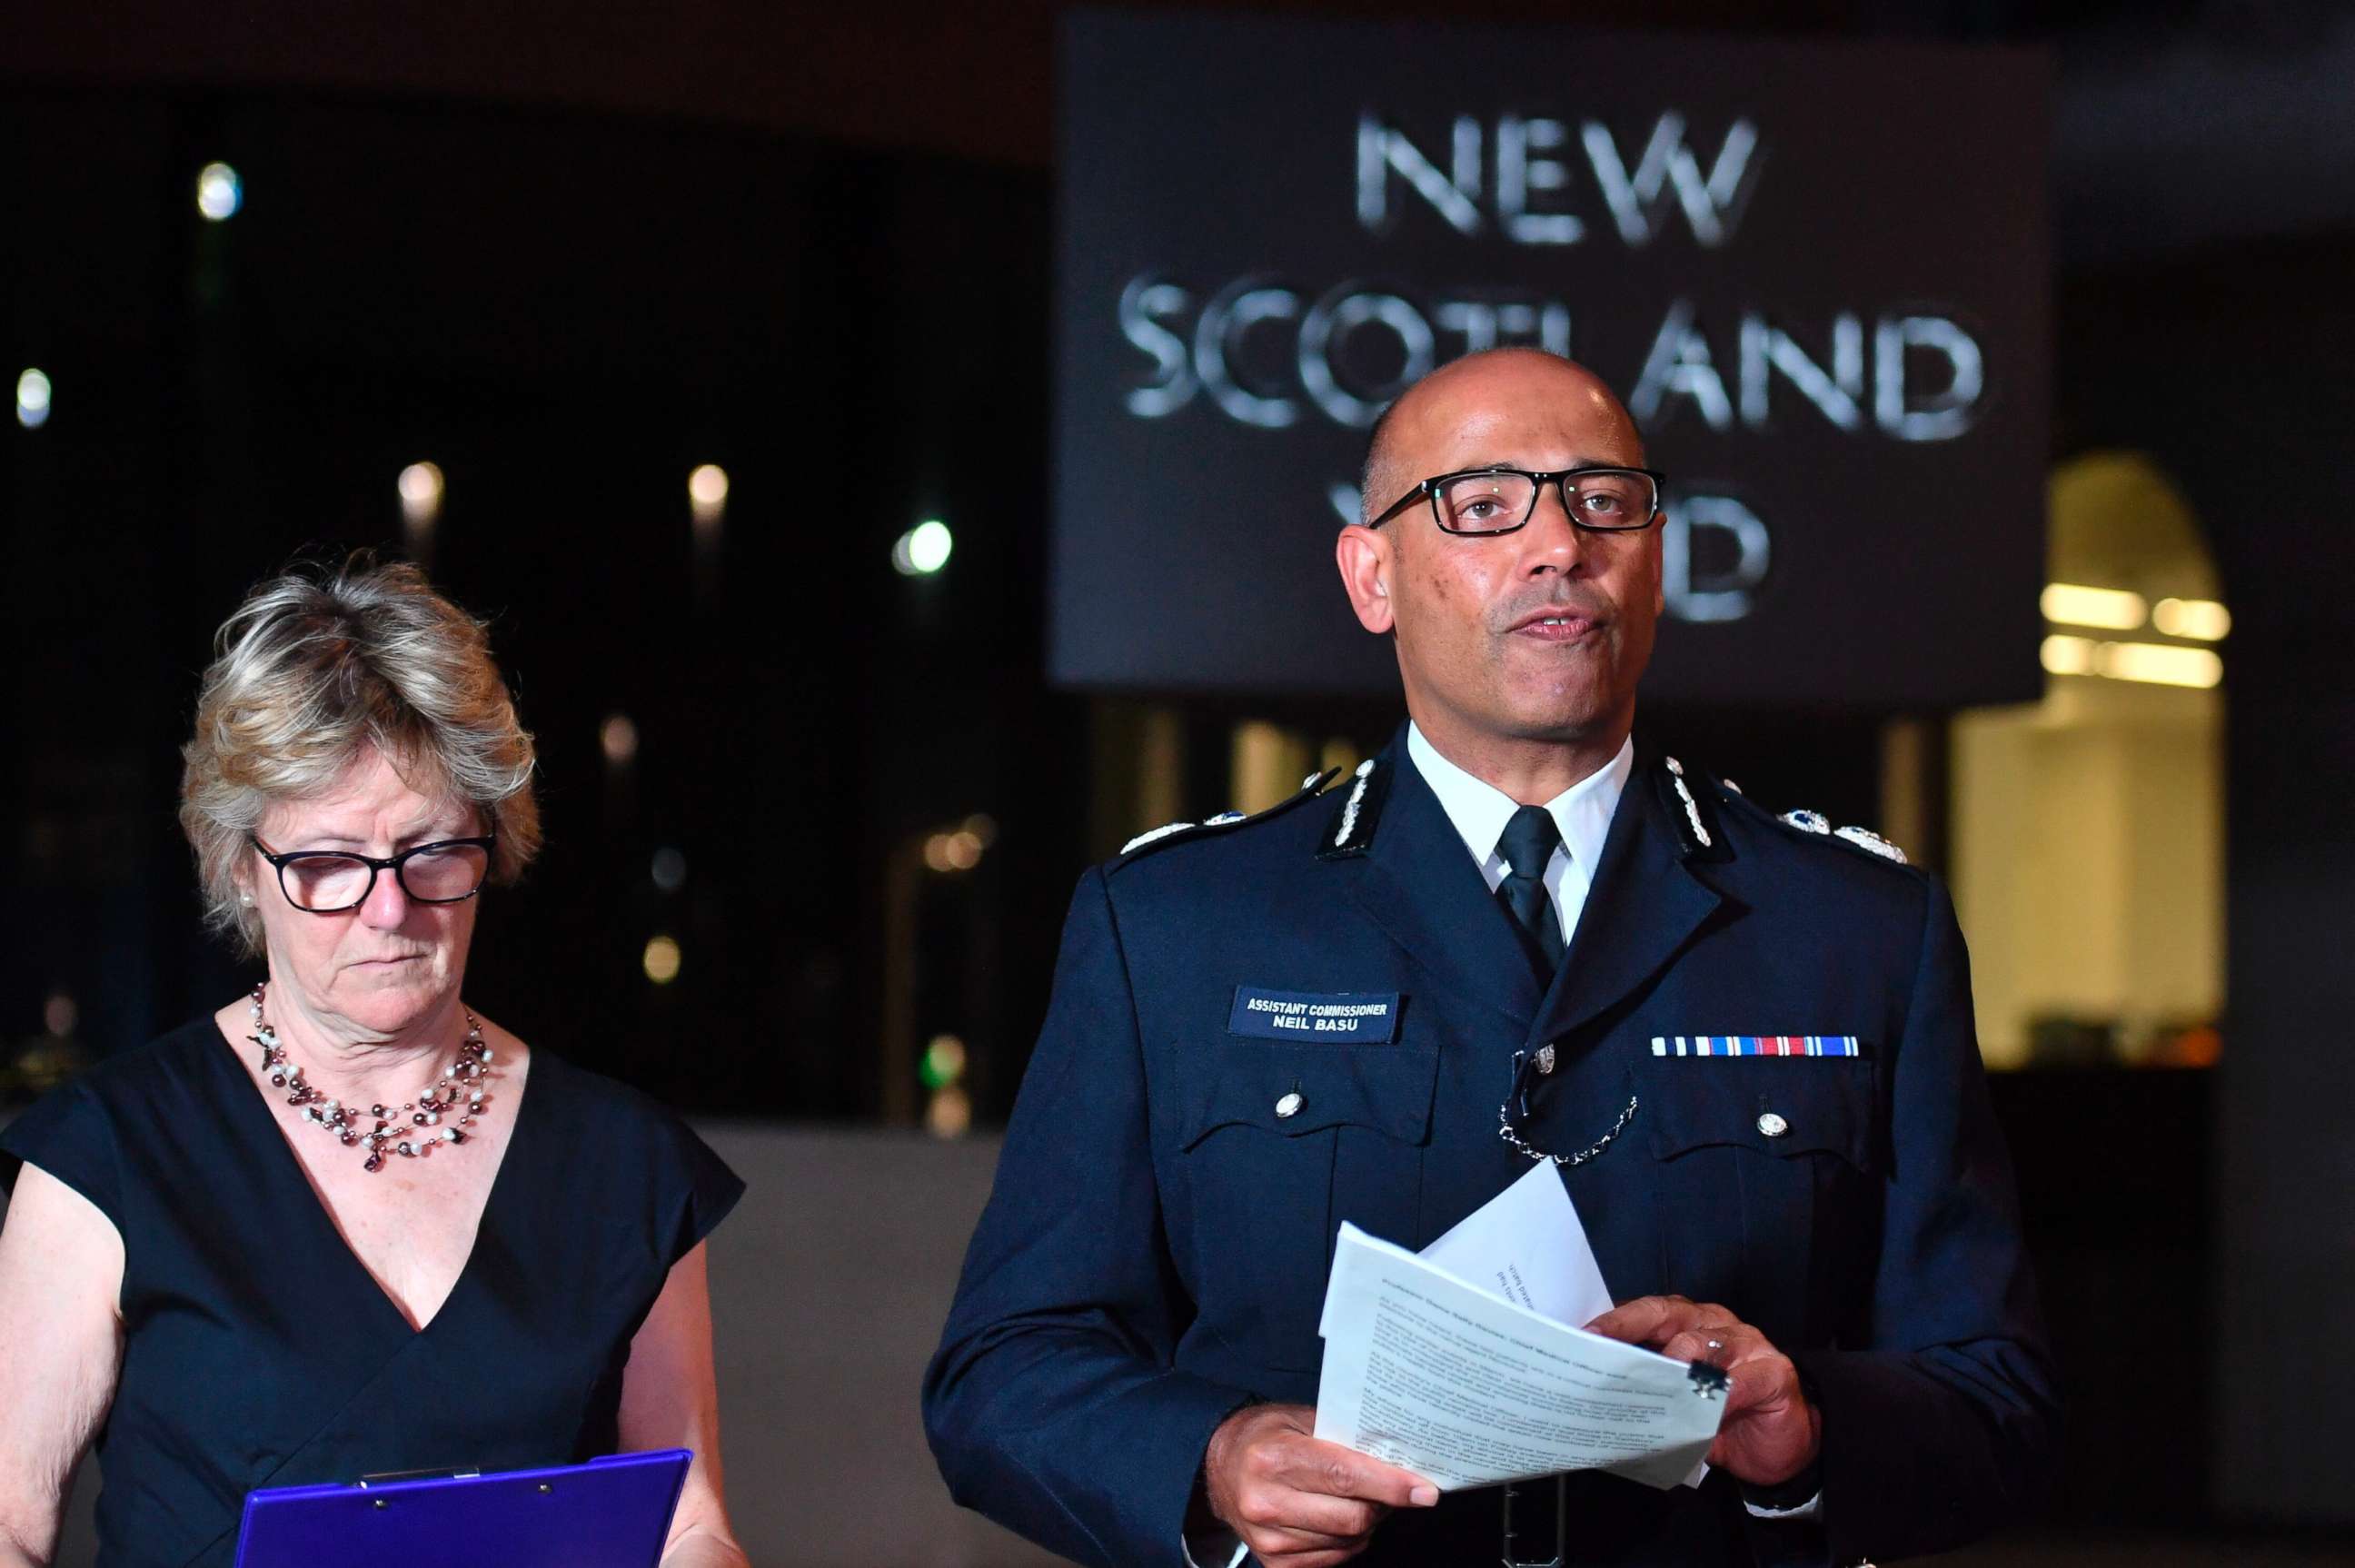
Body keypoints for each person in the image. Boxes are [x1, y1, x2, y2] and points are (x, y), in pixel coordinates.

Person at [924, 349, 2057, 1568]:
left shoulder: (1856, 928)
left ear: (1658, 556)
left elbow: (2000, 1398)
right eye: (1481, 507)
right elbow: (1003, 1370)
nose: (1559, 546)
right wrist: (1207, 1458)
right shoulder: (1178, 925)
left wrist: (1812, 1427)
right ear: (1373, 575)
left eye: (1602, 500)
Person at [0, 558, 750, 1568]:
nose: (390, 909)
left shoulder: (629, 1165)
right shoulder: (111, 1152)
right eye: (327, 864)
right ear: (238, 865)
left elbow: (689, 1523)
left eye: (433, 851)